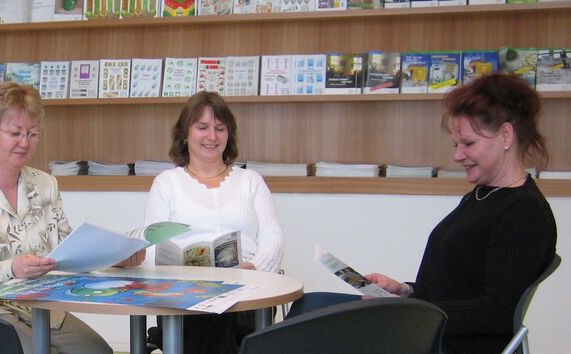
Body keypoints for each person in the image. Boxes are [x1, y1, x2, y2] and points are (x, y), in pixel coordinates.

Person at [286, 73, 557, 354]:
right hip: (426, 325)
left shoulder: (524, 212)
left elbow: (495, 311)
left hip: (447, 342)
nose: (457, 155)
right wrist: (405, 291)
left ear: (505, 135)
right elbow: (452, 283)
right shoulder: (483, 195)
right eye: (456, 145)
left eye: (468, 144)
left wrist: (408, 309)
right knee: (306, 306)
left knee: (296, 334)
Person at [0, 82, 144, 354]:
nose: (25, 142)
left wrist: (114, 257)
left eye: (33, 133)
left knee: (97, 351)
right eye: (15, 133)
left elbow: (67, 249)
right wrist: (11, 268)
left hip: (37, 303)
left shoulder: (45, 184)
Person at [144, 91, 284, 354]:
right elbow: (151, 244)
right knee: (210, 320)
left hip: (246, 289)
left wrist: (254, 267)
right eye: (202, 127)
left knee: (223, 319)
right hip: (185, 293)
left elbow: (273, 236)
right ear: (185, 133)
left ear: (228, 135)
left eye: (220, 128)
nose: (212, 136)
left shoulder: (250, 180)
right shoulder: (167, 183)